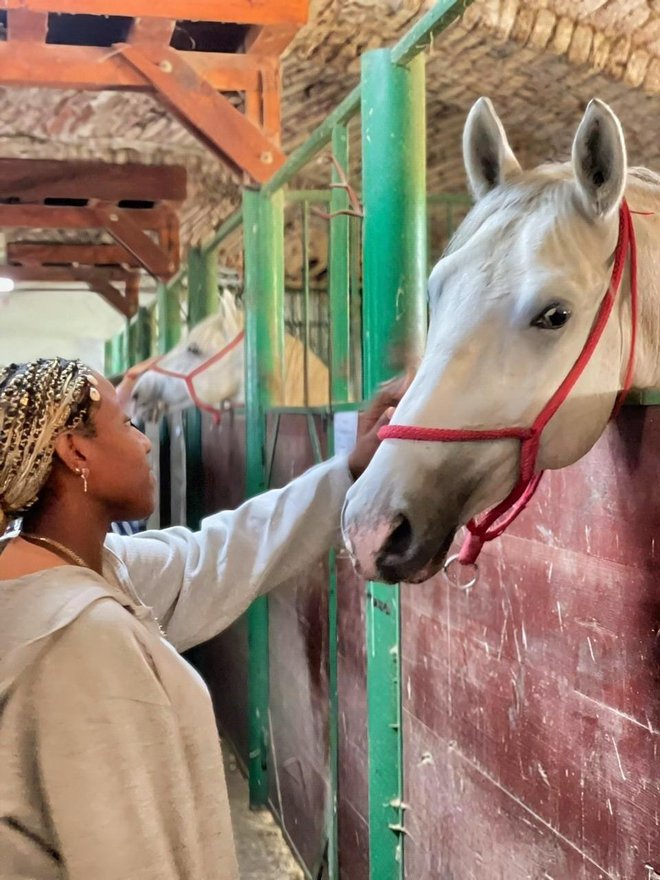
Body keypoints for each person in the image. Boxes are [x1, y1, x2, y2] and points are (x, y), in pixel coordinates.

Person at [0, 356, 405, 880]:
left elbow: (211, 555)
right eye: (126, 424)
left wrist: (349, 467)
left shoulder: (70, 567)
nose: (145, 441)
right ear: (76, 451)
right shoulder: (83, 640)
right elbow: (125, 857)